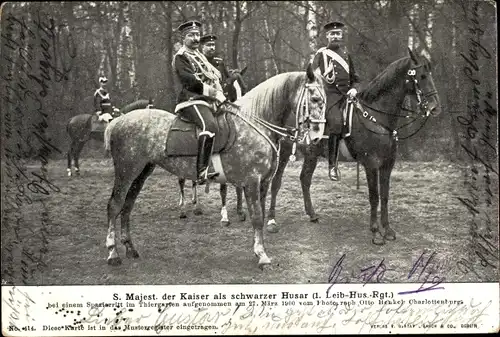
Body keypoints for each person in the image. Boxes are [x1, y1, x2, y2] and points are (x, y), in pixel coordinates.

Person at [172, 20, 227, 185]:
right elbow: (190, 82)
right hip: (190, 100)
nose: (196, 38)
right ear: (184, 37)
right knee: (209, 125)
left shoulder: (200, 56)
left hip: (207, 101)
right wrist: (215, 93)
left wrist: (220, 94)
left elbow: (213, 77)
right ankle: (202, 170)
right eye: (191, 35)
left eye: (197, 35)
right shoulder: (181, 56)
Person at [311, 21, 360, 181]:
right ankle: (332, 165)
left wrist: (354, 88)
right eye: (332, 34)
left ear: (341, 35)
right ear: (327, 36)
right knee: (336, 122)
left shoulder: (346, 54)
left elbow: (355, 78)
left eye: (338, 33)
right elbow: (311, 76)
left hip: (348, 96)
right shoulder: (321, 54)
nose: (335, 36)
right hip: (329, 97)